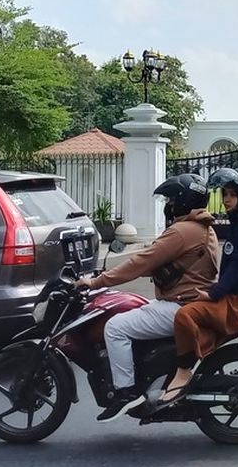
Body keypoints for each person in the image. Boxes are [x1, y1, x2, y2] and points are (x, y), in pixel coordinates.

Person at [75, 174, 218, 422]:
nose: (169, 205)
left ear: (183, 201)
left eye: (172, 199)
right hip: (187, 301)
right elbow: (155, 258)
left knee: (115, 327)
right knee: (134, 307)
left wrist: (97, 281)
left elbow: (142, 261)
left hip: (180, 305)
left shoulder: (182, 231)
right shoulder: (201, 227)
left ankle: (126, 391)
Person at [158, 167, 238, 406]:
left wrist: (213, 293)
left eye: (232, 194)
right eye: (225, 194)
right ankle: (202, 354)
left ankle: (184, 371)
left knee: (184, 314)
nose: (226, 200)